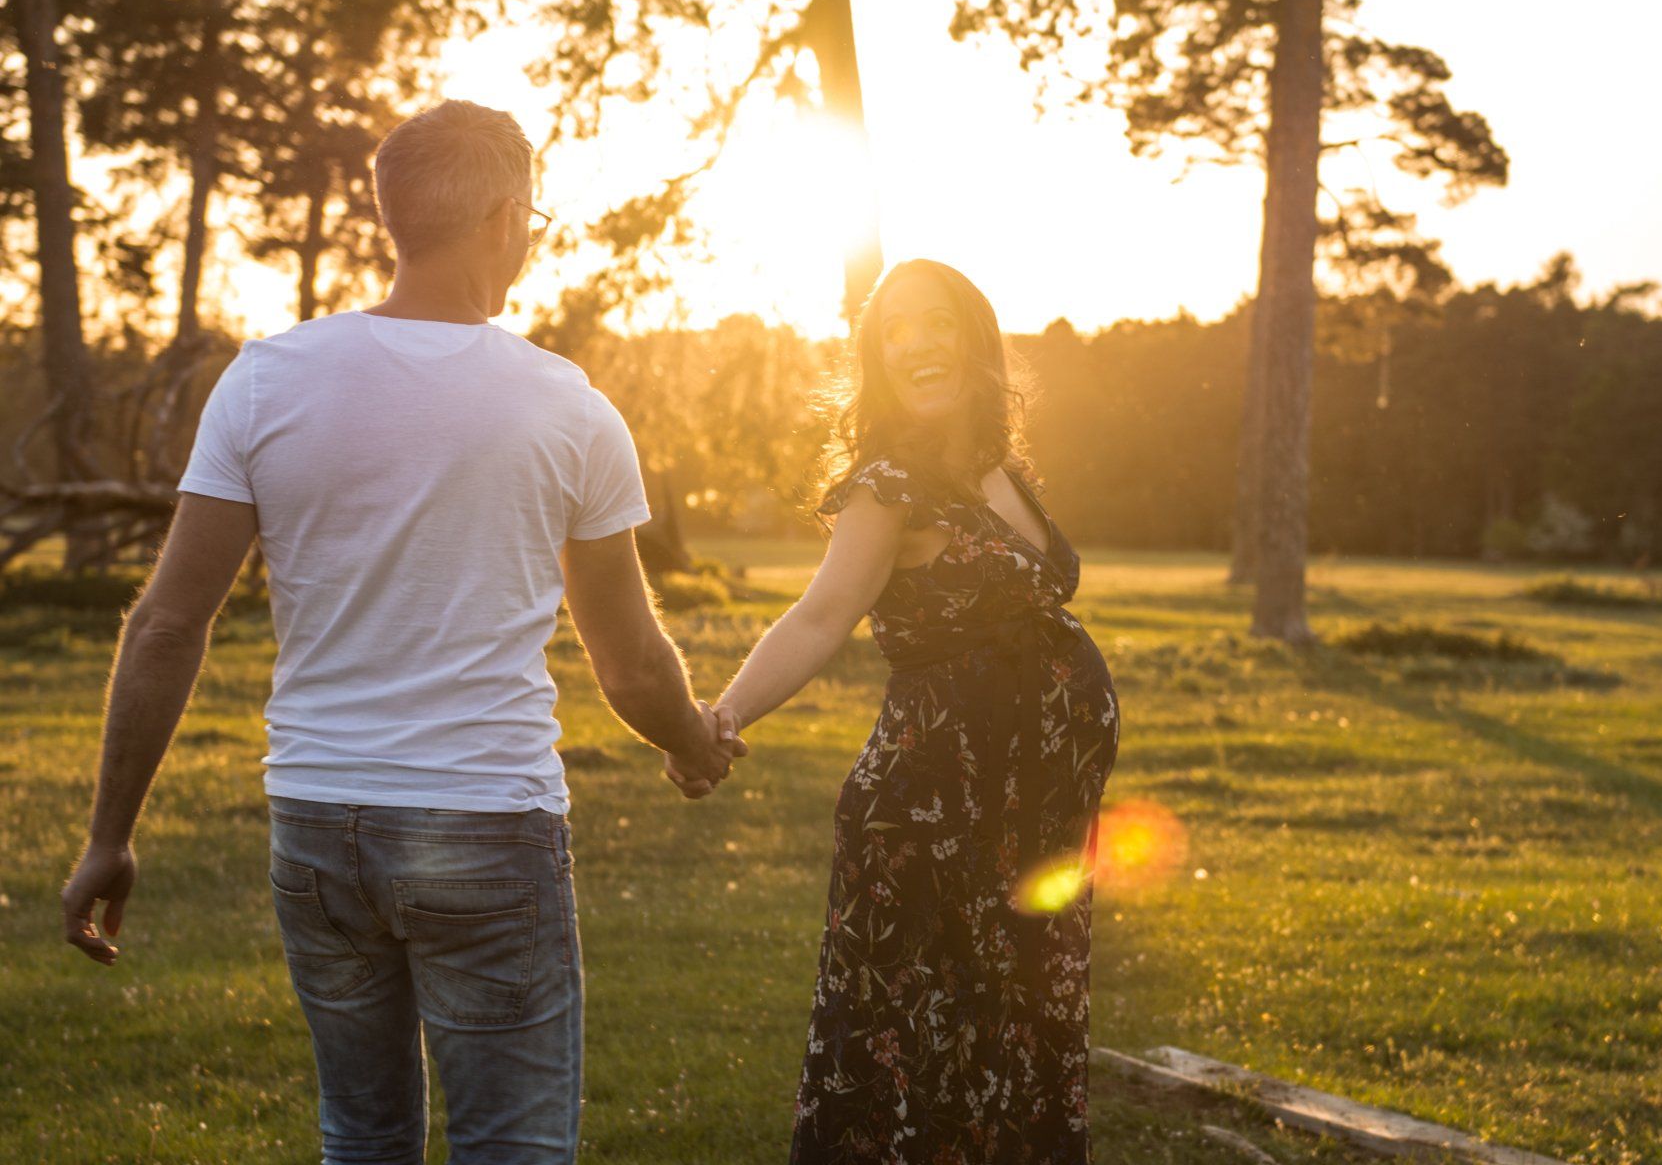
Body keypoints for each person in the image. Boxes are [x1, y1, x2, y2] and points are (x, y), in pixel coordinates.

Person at [58, 99, 744, 1164]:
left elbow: (164, 623)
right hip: (486, 821)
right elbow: (632, 662)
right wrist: (694, 744)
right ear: (509, 217)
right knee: (511, 1146)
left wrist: (111, 833)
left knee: (363, 1136)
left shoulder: (267, 378)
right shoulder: (568, 408)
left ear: (398, 218)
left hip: (320, 824)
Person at [713, 259, 1121, 1164]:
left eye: (933, 322)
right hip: (929, 821)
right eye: (893, 331)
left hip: (1027, 828)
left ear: (973, 339)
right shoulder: (888, 484)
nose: (914, 344)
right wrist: (727, 714)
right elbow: (820, 615)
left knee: (1010, 1031)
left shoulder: (1001, 472)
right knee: (910, 1044)